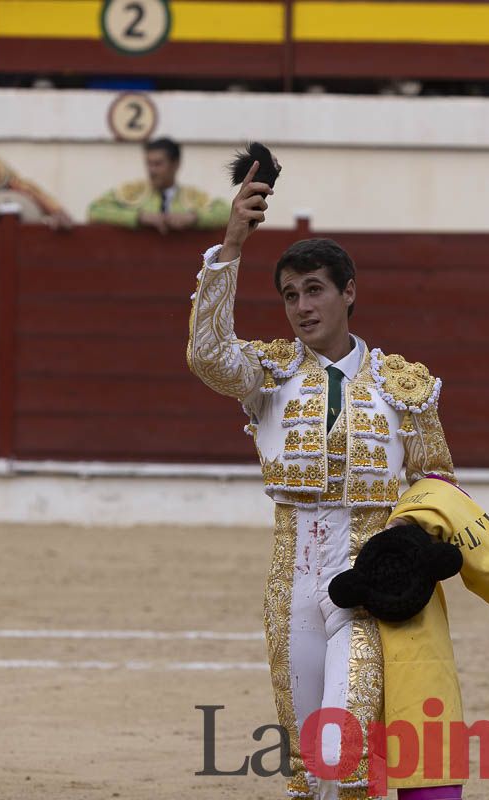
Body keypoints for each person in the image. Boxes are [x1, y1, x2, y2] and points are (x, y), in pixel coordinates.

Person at [188, 164, 463, 799]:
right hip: (290, 579)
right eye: (290, 295)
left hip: (364, 584)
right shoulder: (267, 374)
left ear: (348, 293)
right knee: (308, 761)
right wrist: (230, 244)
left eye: (314, 290)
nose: (302, 307)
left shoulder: (403, 385)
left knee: (344, 748)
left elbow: (438, 484)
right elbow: (206, 355)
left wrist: (408, 561)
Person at [88, 137, 228, 233]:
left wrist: (194, 218)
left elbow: (228, 213)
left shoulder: (192, 197)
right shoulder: (132, 192)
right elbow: (94, 210)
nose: (152, 170)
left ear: (175, 164)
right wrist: (139, 217)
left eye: (158, 164)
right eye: (149, 163)